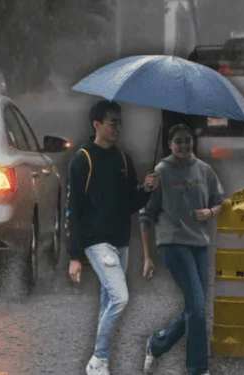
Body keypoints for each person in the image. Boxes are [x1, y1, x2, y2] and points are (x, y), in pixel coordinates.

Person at [65, 100, 159, 375]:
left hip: (120, 241)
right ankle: (99, 360)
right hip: (96, 242)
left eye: (120, 122)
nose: (118, 127)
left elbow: (130, 203)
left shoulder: (123, 159)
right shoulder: (83, 160)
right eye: (112, 122)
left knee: (109, 300)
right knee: (120, 297)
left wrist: (147, 189)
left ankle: (100, 361)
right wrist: (74, 256)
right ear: (97, 125)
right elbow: (73, 210)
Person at [139, 123, 224, 375]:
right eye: (178, 141)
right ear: (169, 144)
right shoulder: (161, 171)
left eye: (187, 140)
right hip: (172, 242)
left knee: (194, 307)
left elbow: (218, 200)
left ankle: (157, 343)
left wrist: (209, 212)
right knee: (196, 307)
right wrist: (147, 256)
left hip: (199, 243)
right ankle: (197, 369)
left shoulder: (204, 170)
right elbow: (146, 214)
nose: (184, 146)